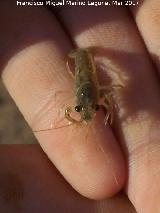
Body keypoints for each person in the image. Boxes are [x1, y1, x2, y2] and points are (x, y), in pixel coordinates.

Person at [0, 1, 159, 212]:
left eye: (89, 110)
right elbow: (74, 107)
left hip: (88, 71)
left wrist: (106, 111)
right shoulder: (84, 100)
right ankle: (84, 56)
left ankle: (85, 56)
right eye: (81, 109)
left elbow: (108, 98)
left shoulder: (97, 96)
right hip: (84, 73)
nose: (85, 112)